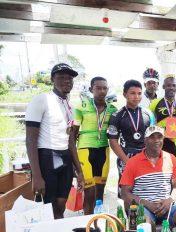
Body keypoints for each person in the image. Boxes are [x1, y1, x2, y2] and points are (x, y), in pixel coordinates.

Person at [25, 63, 84, 219]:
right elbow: (30, 139)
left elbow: (70, 140)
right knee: (48, 207)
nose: (67, 80)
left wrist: (79, 171)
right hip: (47, 156)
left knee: (61, 204)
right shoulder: (42, 100)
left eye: (70, 78)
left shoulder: (68, 105)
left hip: (64, 157)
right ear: (52, 79)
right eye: (62, 77)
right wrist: (36, 175)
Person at [73, 76, 117, 215]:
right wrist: (73, 161)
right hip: (85, 151)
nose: (102, 91)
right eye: (98, 88)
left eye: (104, 88)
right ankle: (88, 225)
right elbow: (73, 135)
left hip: (104, 151)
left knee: (100, 193)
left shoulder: (113, 109)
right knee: (89, 192)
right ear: (91, 89)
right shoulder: (81, 106)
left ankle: (97, 225)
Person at [107, 79, 155, 197]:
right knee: (127, 193)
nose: (136, 97)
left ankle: (145, 215)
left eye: (139, 93)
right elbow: (113, 142)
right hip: (126, 157)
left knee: (146, 189)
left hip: (145, 156)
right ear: (125, 94)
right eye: (132, 93)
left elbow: (154, 137)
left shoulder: (148, 114)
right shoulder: (117, 115)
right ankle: (128, 216)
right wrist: (127, 161)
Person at [149, 75, 176, 158]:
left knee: (174, 168)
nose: (171, 88)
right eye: (168, 85)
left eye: (174, 85)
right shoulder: (154, 103)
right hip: (159, 142)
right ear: (163, 87)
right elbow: (148, 122)